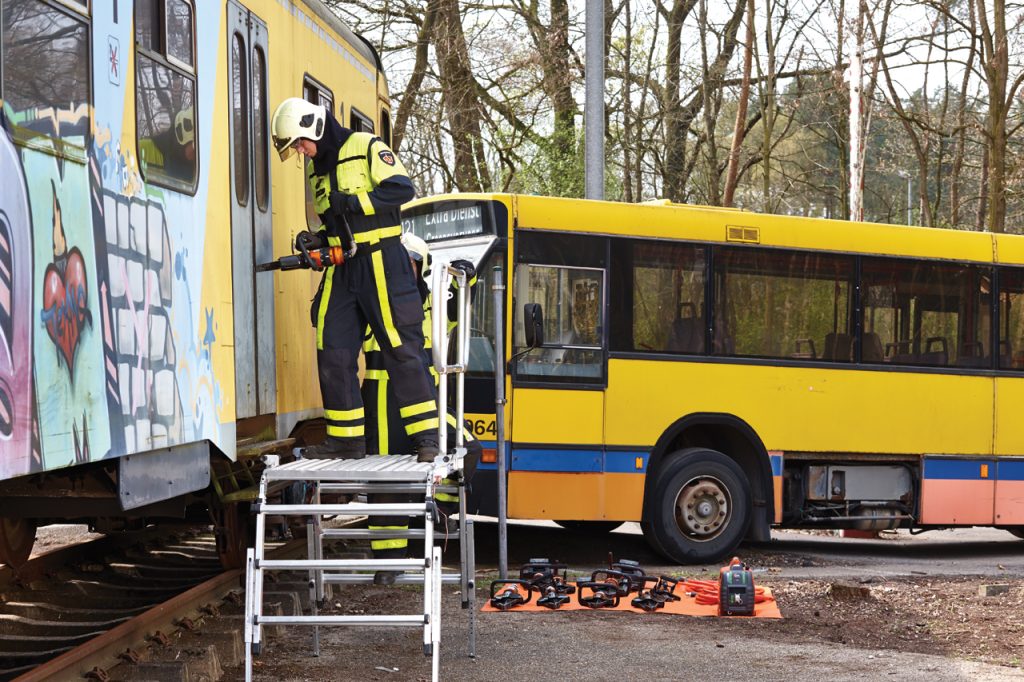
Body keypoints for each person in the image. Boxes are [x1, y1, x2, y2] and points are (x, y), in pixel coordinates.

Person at [271, 97, 440, 460]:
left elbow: (401, 189)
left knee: (401, 349)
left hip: (383, 261)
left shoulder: (365, 146)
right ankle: (346, 441)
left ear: (314, 127)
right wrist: (317, 239)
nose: (300, 152)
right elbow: (336, 224)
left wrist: (352, 202)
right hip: (344, 267)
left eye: (299, 143)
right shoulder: (317, 172)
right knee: (332, 348)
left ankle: (427, 439)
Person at [362, 233, 482, 584]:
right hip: (383, 399)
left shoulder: (432, 304)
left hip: (427, 400)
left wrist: (467, 277)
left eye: (410, 263)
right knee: (387, 483)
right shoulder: (371, 299)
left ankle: (438, 512)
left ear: (421, 267)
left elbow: (457, 310)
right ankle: (388, 564)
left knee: (468, 448)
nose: (404, 269)